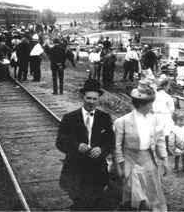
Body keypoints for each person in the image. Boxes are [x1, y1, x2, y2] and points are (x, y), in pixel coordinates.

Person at [56, 79, 115, 210]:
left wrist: (101, 149)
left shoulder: (104, 118)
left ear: (98, 99)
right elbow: (60, 142)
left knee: (97, 200)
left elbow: (111, 142)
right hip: (76, 166)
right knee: (79, 202)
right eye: (88, 98)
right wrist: (76, 146)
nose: (91, 102)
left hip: (97, 167)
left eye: (94, 99)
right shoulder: (70, 118)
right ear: (83, 97)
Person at [113, 79, 168, 211]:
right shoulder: (122, 122)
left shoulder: (154, 120)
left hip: (149, 162)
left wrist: (164, 159)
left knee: (152, 199)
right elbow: (117, 146)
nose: (152, 106)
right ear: (141, 104)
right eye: (150, 103)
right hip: (131, 163)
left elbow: (160, 140)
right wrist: (119, 166)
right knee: (137, 199)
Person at [152, 73, 175, 153]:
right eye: (168, 86)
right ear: (164, 86)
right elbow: (171, 108)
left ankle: (155, 148)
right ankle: (166, 149)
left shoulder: (155, 95)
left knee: (157, 131)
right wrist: (169, 114)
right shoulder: (168, 97)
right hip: (165, 115)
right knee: (166, 132)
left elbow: (152, 105)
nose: (169, 87)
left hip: (156, 115)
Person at [169, 109, 184, 173]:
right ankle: (176, 168)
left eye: (183, 121)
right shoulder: (174, 130)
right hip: (177, 146)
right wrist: (172, 146)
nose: (182, 122)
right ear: (176, 121)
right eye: (180, 121)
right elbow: (171, 138)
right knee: (177, 157)